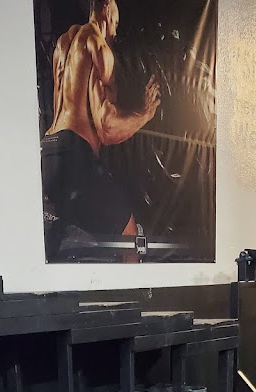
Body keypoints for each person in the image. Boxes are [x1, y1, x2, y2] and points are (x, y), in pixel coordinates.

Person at [41, 0, 160, 260]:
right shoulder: (97, 45)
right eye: (116, 16)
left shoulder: (64, 43)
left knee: (71, 241)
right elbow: (107, 128)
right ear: (107, 8)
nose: (117, 26)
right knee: (131, 241)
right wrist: (144, 114)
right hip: (74, 157)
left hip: (48, 155)